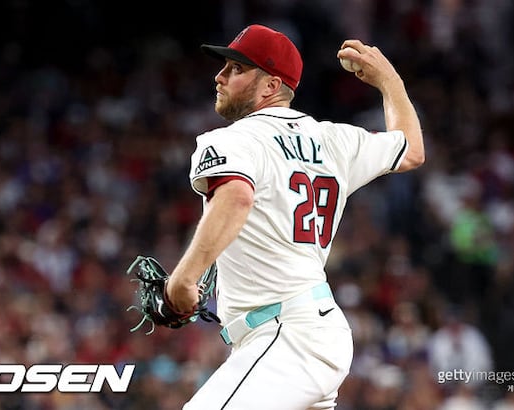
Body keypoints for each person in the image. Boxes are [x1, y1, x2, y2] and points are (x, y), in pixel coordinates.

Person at [165, 24, 424, 409]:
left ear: (270, 86)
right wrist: (390, 82)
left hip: (285, 334)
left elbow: (236, 198)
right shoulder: (334, 140)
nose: (220, 76)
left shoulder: (232, 139)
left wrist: (185, 278)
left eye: (236, 68)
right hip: (311, 330)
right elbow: (411, 149)